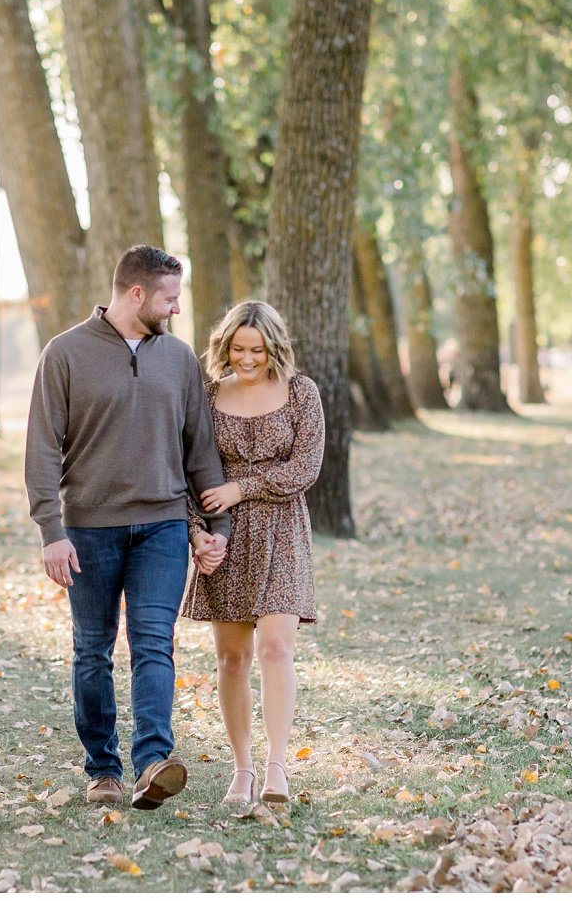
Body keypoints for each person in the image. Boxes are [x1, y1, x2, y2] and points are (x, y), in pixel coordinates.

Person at [24, 245, 231, 810]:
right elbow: (42, 449)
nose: (177, 309)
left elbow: (200, 449)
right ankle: (103, 770)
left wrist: (217, 525)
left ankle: (152, 764)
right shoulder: (64, 354)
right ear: (136, 293)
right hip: (88, 530)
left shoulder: (180, 358)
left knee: (153, 645)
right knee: (93, 649)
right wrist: (51, 530)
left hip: (163, 527)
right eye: (170, 297)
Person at [182, 300, 324, 805]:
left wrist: (242, 488)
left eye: (256, 350)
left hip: (282, 530)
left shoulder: (301, 393)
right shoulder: (207, 395)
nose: (246, 359)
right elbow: (191, 471)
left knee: (276, 648)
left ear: (274, 348)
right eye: (237, 349)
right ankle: (241, 769)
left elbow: (306, 467)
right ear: (225, 347)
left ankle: (276, 768)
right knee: (232, 657)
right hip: (227, 535)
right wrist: (200, 532)